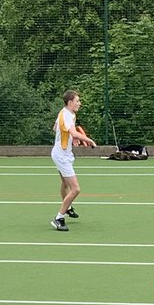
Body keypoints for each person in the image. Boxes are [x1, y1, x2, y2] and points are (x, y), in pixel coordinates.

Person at [50, 90, 96, 231]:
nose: (79, 103)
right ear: (70, 102)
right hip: (61, 155)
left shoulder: (65, 113)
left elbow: (55, 128)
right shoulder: (67, 115)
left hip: (62, 153)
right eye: (77, 101)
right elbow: (72, 131)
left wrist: (71, 137)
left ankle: (68, 207)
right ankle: (59, 218)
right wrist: (89, 140)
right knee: (75, 189)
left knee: (65, 183)